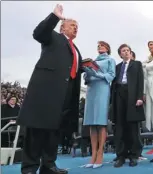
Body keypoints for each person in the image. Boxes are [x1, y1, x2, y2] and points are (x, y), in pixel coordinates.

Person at [17, 4, 83, 174]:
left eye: (77, 26)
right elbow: (38, 33)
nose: (76, 28)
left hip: (65, 95)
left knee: (53, 132)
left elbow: (70, 68)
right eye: (72, 25)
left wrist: (84, 66)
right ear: (62, 27)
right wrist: (54, 16)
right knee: (36, 131)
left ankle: (48, 165)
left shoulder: (75, 48)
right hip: (46, 92)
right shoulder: (53, 36)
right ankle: (29, 168)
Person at [110, 44, 145, 167]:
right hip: (119, 94)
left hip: (132, 95)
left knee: (133, 126)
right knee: (120, 126)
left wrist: (140, 97)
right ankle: (121, 155)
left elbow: (140, 82)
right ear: (120, 54)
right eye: (123, 51)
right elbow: (113, 83)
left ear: (131, 53)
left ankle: (134, 154)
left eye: (128, 50)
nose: (126, 52)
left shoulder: (137, 64)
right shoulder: (117, 67)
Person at [83, 41, 116, 169]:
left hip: (102, 88)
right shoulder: (93, 61)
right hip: (91, 89)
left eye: (102, 46)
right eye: (98, 46)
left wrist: (98, 74)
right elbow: (86, 77)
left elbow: (112, 75)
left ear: (107, 48)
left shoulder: (110, 60)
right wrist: (87, 73)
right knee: (92, 122)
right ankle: (93, 153)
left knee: (100, 121)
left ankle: (100, 153)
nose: (99, 47)